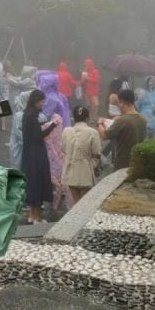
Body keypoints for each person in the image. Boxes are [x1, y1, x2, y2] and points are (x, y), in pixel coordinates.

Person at [20, 89, 55, 223]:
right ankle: (37, 217)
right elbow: (38, 136)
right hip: (36, 154)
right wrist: (52, 126)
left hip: (28, 153)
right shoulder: (32, 116)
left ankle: (32, 215)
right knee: (38, 182)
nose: (42, 104)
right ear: (35, 101)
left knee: (31, 183)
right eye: (41, 101)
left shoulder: (27, 114)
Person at [60, 105, 102, 204]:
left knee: (75, 200)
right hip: (86, 169)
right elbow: (97, 152)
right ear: (87, 118)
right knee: (84, 202)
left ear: (74, 118)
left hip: (70, 168)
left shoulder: (66, 131)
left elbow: (63, 148)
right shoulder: (93, 132)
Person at [98, 88, 147, 171]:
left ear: (122, 102)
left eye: (119, 102)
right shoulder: (143, 118)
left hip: (123, 163)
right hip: (137, 161)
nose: (119, 105)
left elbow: (104, 135)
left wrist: (99, 123)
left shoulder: (123, 120)